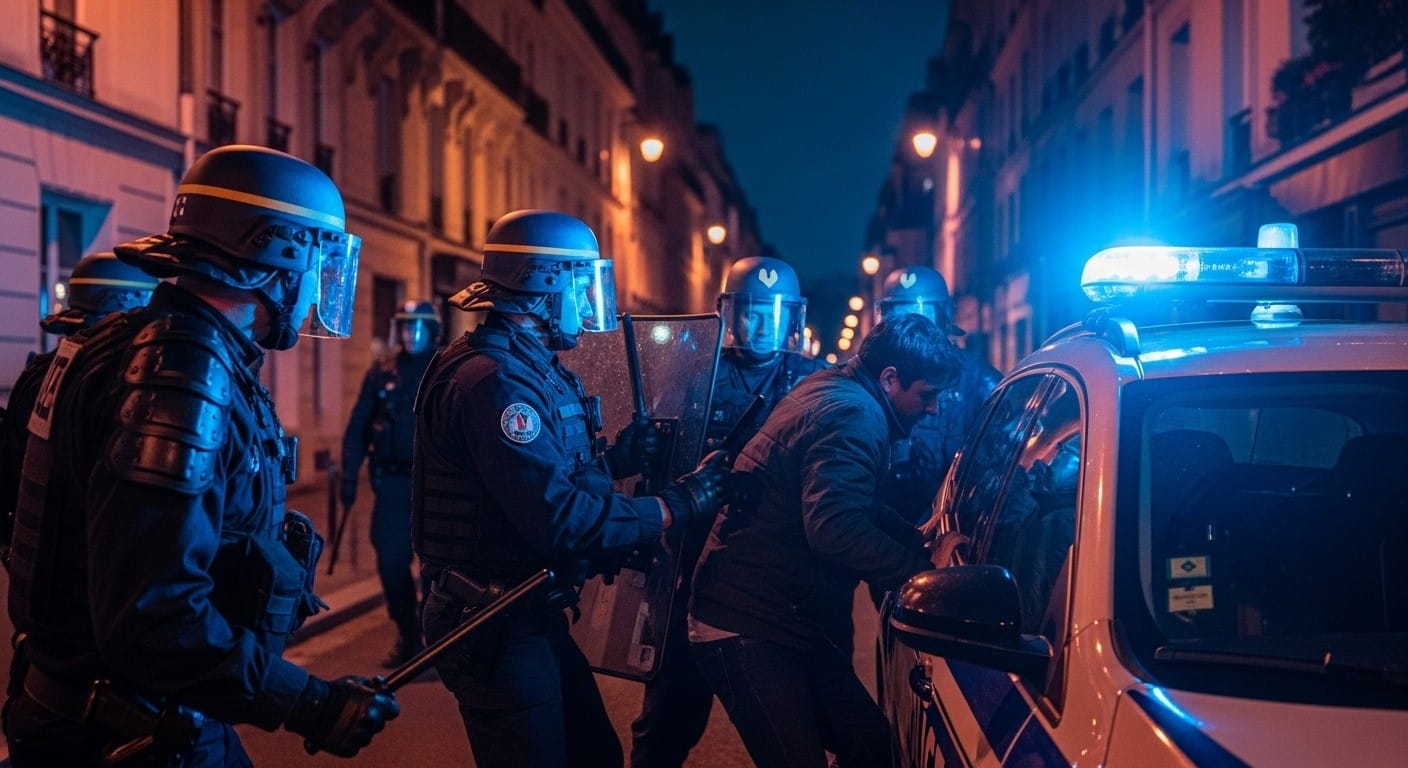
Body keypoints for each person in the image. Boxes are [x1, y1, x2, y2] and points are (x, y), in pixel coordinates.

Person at [4, 144, 398, 766]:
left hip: (109, 715)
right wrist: (310, 703)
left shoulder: (141, 345)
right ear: (280, 254)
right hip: (132, 732)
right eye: (321, 258)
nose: (321, 285)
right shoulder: (181, 373)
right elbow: (156, 616)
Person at [412, 208, 729, 768]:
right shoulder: (496, 382)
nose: (587, 307)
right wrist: (676, 506)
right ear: (545, 286)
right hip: (493, 622)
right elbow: (559, 519)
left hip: (526, 612)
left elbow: (535, 485)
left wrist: (616, 462)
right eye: (580, 288)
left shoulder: (530, 368)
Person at [687, 313, 964, 768]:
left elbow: (858, 503)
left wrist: (916, 540)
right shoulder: (854, 414)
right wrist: (925, 574)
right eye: (928, 395)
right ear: (890, 379)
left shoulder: (837, 390)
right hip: (746, 626)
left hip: (783, 619)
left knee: (871, 748)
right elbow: (834, 529)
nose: (933, 408)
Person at [630, 255, 828, 768]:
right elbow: (662, 461)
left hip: (777, 577)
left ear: (792, 318)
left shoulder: (814, 383)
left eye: (773, 312)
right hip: (693, 571)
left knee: (796, 725)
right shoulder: (695, 372)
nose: (761, 324)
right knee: (666, 723)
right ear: (729, 314)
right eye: (751, 311)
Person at [1, 251, 158, 566]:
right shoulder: (109, 380)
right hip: (80, 573)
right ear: (130, 301)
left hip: (37, 570)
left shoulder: (43, 371)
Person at [342, 299, 441, 667]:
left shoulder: (443, 368)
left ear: (431, 330)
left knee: (436, 567)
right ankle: (407, 632)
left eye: (418, 327)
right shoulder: (382, 372)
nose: (410, 334)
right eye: (404, 326)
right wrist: (349, 477)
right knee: (390, 561)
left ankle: (436, 636)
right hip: (395, 484)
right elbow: (357, 428)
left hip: (435, 484)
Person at [877, 265, 1002, 524]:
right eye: (900, 320)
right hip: (884, 526)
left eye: (920, 320)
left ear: (942, 320)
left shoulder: (977, 377)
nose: (910, 333)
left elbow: (1008, 451)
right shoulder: (874, 375)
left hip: (954, 525)